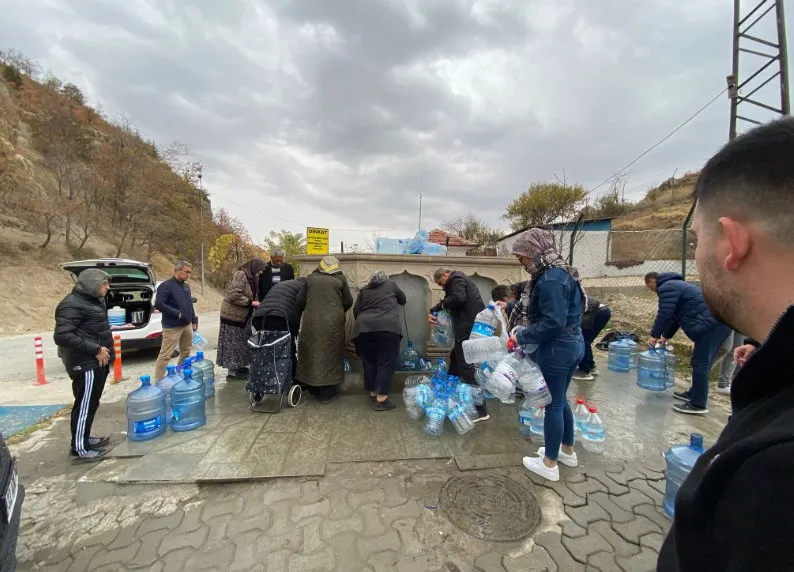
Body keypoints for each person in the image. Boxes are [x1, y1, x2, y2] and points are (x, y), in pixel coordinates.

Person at [657, 117, 794, 571]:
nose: (695, 255)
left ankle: (697, 399)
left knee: (699, 365)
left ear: (732, 242)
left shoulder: (772, 472)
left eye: (696, 238)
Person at [506, 228, 585, 482]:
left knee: (552, 403)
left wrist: (521, 336)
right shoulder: (561, 272)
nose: (521, 262)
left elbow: (553, 322)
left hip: (558, 347)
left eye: (522, 257)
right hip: (573, 342)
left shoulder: (550, 279)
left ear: (534, 252)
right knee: (561, 400)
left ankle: (549, 464)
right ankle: (566, 451)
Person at [644, 271, 730, 415]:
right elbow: (674, 317)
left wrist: (654, 334)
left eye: (649, 286)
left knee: (701, 363)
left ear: (652, 280)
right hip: (714, 324)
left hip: (710, 326)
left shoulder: (666, 287)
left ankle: (698, 404)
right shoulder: (678, 285)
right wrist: (665, 336)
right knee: (700, 361)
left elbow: (664, 312)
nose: (651, 290)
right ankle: (693, 393)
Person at [54, 269, 115, 463]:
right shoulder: (71, 305)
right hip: (85, 363)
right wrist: (96, 349)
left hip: (97, 362)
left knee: (91, 403)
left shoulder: (93, 301)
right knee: (84, 405)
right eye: (104, 284)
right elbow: (62, 335)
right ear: (92, 284)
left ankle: (85, 438)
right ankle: (80, 448)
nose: (108, 288)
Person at [428, 267, 487, 421]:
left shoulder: (456, 279)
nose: (442, 287)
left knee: (466, 366)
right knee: (455, 357)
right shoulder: (459, 280)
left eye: (441, 284)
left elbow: (457, 299)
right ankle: (449, 391)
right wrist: (435, 309)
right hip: (468, 326)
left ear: (444, 275)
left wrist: (440, 306)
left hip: (466, 327)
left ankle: (480, 410)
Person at [296, 256, 353, 403]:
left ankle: (313, 389)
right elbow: (348, 301)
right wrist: (338, 311)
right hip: (333, 322)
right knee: (331, 354)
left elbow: (300, 301)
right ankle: (326, 394)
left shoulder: (310, 279)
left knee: (312, 352)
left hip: (312, 321)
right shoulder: (341, 280)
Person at [353, 270, 407, 411]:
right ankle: (381, 400)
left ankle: (372, 393)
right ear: (385, 278)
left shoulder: (365, 289)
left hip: (363, 329)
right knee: (385, 363)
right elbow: (403, 299)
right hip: (387, 328)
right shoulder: (391, 284)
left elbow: (356, 310)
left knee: (369, 362)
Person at [251, 276, 306, 382]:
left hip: (259, 317)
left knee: (266, 349)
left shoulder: (283, 284)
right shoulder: (303, 288)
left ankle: (265, 379)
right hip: (280, 318)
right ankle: (292, 379)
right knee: (288, 349)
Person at [218, 259, 265, 379]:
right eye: (259, 270)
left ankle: (240, 367)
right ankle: (232, 372)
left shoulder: (252, 277)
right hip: (232, 317)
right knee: (232, 344)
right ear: (254, 267)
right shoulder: (240, 275)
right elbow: (233, 295)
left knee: (241, 343)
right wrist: (252, 303)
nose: (260, 272)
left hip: (244, 317)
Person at [153, 261, 199, 381]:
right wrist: (177, 313)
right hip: (172, 326)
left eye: (190, 272)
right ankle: (159, 381)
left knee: (186, 352)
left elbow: (189, 304)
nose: (189, 275)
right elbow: (159, 304)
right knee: (165, 355)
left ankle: (181, 375)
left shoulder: (186, 287)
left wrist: (193, 320)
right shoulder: (166, 286)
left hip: (187, 325)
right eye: (186, 272)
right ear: (177, 270)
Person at [572, 296, 611, 381]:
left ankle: (584, 371)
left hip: (595, 312)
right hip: (604, 310)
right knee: (586, 341)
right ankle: (590, 367)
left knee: (582, 341)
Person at [715, 329, 744, 394]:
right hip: (729, 321)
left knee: (736, 351)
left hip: (743, 324)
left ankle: (723, 384)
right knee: (725, 348)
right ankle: (700, 370)